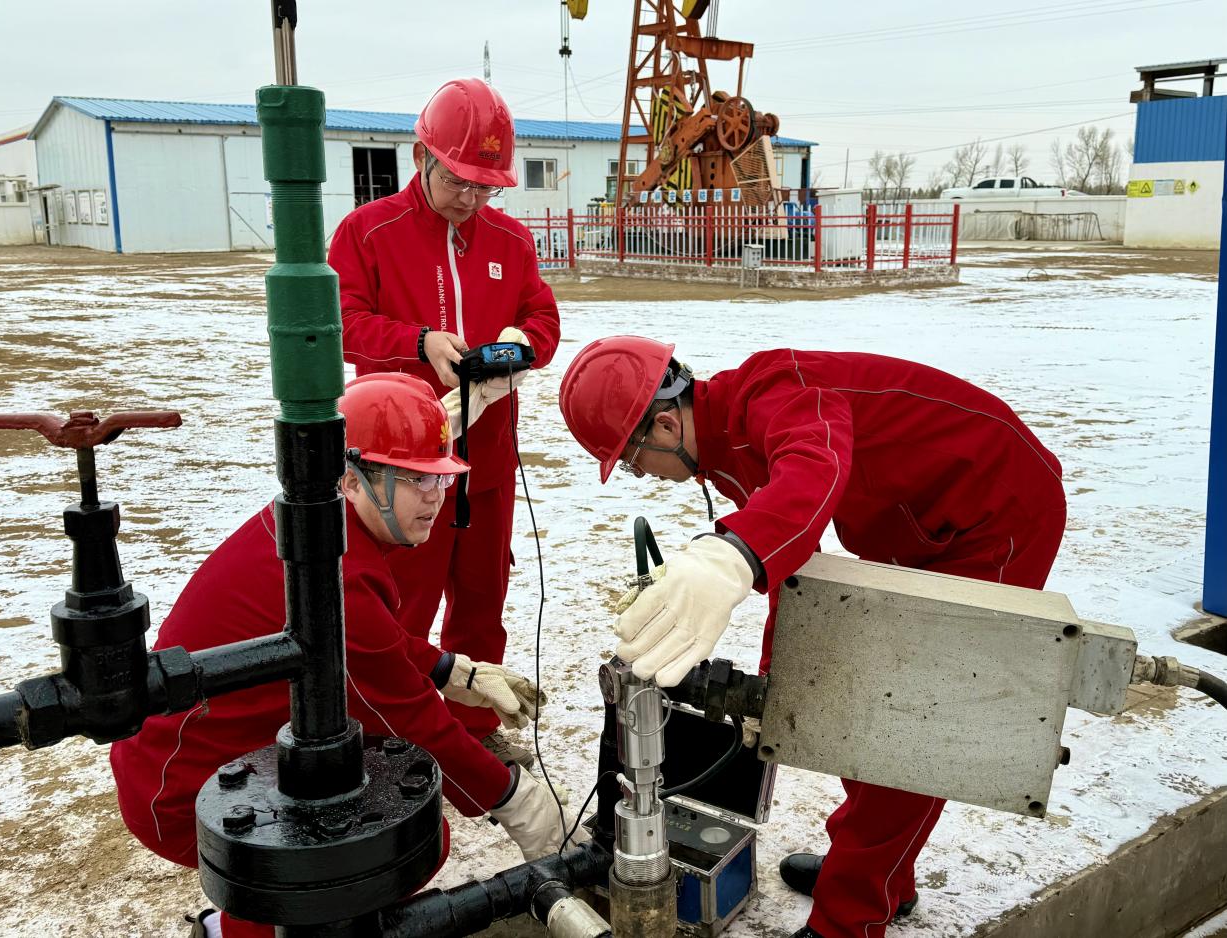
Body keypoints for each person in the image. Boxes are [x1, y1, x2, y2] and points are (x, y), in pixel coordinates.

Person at [557, 337, 1067, 938]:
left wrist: (733, 554)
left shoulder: (775, 395)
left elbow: (815, 465)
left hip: (995, 512)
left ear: (666, 426)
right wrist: (779, 681)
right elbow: (793, 566)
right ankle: (879, 874)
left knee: (914, 725)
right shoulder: (727, 445)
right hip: (920, 526)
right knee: (866, 707)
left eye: (634, 461)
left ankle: (849, 919)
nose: (645, 475)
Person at [110, 374, 569, 938]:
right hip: (186, 790)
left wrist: (452, 671)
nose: (435, 496)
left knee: (393, 829)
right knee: (392, 844)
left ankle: (240, 922)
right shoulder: (340, 570)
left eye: (441, 478)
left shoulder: (319, 531)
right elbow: (412, 719)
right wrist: (516, 800)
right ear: (352, 480)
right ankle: (238, 930)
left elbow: (368, 642)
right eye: (415, 479)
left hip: (194, 761)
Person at [328, 78, 561, 769]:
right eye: (458, 180)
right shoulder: (368, 231)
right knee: (400, 603)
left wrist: (519, 346)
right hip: (399, 459)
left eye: (485, 187)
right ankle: (384, 731)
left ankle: (472, 725)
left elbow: (543, 318)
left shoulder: (510, 240)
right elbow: (341, 321)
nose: (470, 198)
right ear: (421, 156)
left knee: (482, 600)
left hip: (486, 456)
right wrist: (418, 342)